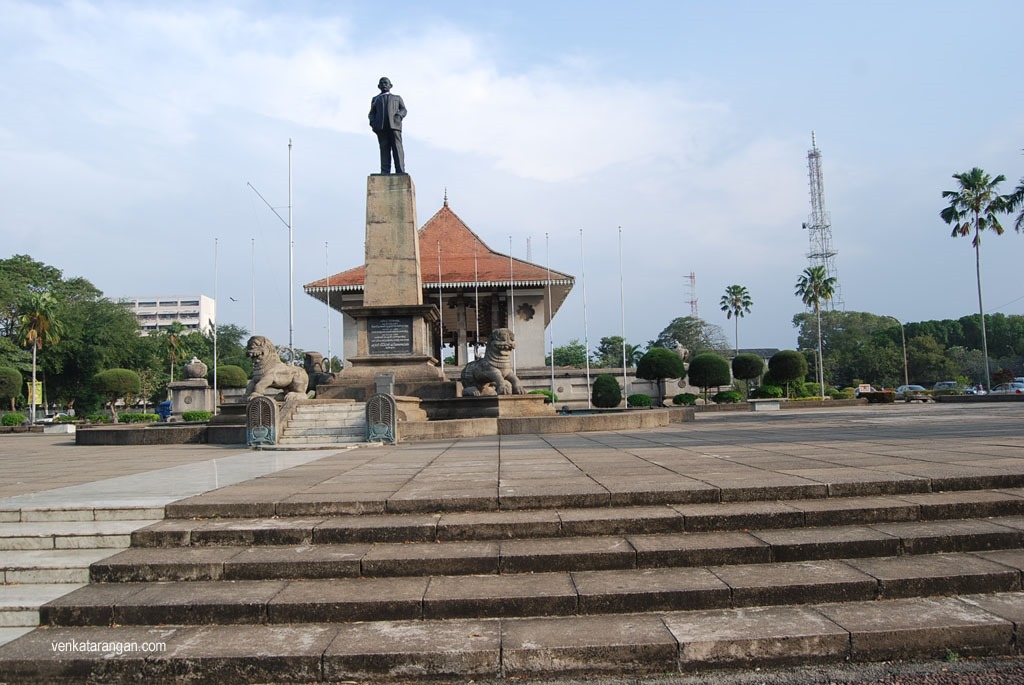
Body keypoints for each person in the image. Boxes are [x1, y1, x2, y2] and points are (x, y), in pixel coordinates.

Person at [368, 77, 407, 174]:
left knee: (397, 148)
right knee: (384, 149)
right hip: (381, 127)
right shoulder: (375, 99)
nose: (384, 84)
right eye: (381, 83)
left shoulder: (397, 98)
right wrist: (373, 123)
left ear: (391, 85)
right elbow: (371, 113)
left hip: (394, 126)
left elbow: (403, 110)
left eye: (386, 83)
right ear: (378, 86)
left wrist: (398, 116)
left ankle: (400, 170)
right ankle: (385, 171)